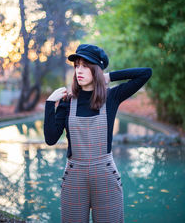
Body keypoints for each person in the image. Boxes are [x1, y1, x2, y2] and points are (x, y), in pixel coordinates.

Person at [44, 43, 152, 223]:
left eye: (86, 66)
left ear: (96, 70)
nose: (79, 70)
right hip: (74, 175)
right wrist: (49, 103)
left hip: (105, 175)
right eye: (77, 65)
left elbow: (145, 73)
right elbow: (50, 139)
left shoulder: (111, 97)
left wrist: (106, 77)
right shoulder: (67, 102)